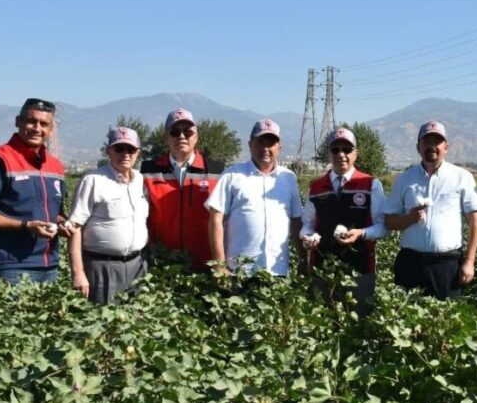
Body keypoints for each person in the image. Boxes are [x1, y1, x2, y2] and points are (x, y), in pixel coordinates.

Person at [0, 98, 68, 283]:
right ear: (18, 121)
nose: (37, 128)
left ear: (51, 129)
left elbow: (56, 214)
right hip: (10, 267)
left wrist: (65, 224)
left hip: (50, 266)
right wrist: (26, 226)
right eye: (31, 121)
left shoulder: (56, 167)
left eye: (44, 124)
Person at [382, 120, 477, 300]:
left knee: (445, 321)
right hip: (410, 264)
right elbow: (389, 221)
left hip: (447, 265)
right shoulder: (404, 179)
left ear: (446, 147)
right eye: (426, 141)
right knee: (406, 321)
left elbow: (475, 222)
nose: (432, 146)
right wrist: (409, 218)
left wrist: (469, 262)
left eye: (437, 142)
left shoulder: (462, 177)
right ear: (418, 147)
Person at [301, 127, 388, 310]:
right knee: (322, 323)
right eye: (335, 149)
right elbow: (307, 223)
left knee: (359, 324)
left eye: (347, 149)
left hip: (361, 268)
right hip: (322, 268)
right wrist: (307, 237)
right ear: (329, 154)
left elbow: (383, 226)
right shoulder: (316, 187)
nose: (341, 154)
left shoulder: (371, 184)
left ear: (355, 153)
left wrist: (361, 234)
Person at [206, 119, 304, 276]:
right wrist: (219, 264)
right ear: (250, 145)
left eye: (270, 143)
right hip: (239, 272)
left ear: (279, 148)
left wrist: (302, 259)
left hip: (277, 271)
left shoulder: (288, 178)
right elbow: (215, 219)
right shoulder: (232, 175)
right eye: (260, 142)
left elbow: (296, 220)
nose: (265, 148)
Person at [66, 127, 150, 304]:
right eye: (119, 149)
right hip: (103, 266)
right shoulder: (93, 180)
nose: (125, 154)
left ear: (138, 153)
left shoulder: (140, 181)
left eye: (130, 149)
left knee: (137, 325)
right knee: (104, 325)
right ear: (108, 151)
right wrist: (78, 273)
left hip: (137, 265)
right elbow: (74, 227)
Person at [141, 108, 224, 271]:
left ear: (196, 137)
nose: (182, 137)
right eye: (175, 132)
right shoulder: (148, 171)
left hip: (205, 265)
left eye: (187, 132)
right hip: (161, 265)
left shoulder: (216, 171)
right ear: (166, 137)